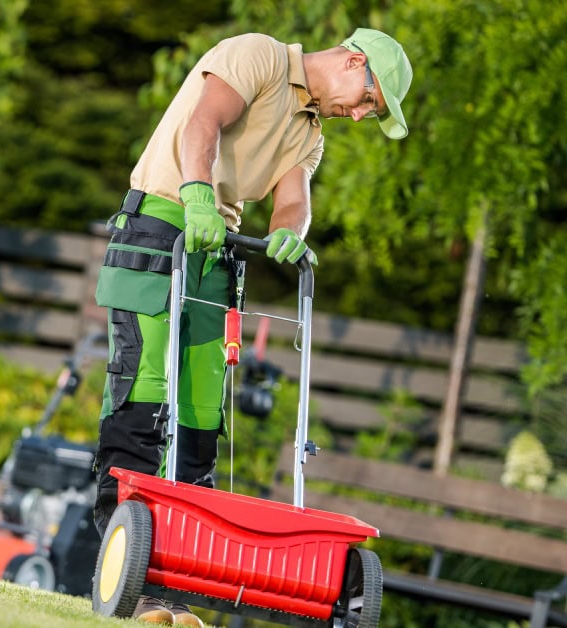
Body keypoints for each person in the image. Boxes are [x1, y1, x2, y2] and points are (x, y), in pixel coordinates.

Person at [92, 28, 412, 626]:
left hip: (217, 247)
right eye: (372, 100)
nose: (364, 116)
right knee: (144, 389)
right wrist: (197, 196)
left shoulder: (311, 133)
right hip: (161, 222)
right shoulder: (258, 55)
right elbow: (203, 124)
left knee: (198, 411)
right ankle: (119, 564)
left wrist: (292, 231)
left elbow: (294, 198)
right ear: (353, 61)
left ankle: (169, 585)